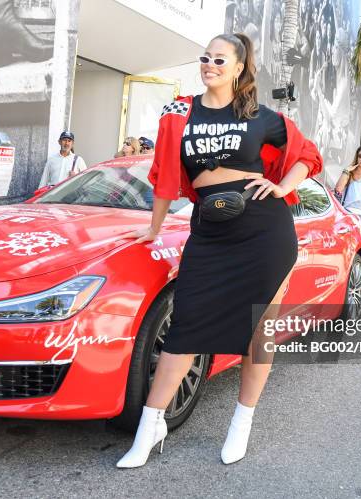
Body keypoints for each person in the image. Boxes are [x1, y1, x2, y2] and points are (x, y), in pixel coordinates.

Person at [116, 32, 322, 468]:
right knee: (187, 324)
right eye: (205, 58)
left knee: (259, 329)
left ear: (240, 68)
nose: (209, 65)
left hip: (264, 232)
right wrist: (153, 230)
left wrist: (282, 185)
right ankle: (150, 425)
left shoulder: (261, 116)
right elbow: (165, 175)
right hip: (209, 232)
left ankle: (241, 422)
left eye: (220, 60)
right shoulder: (178, 111)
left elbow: (306, 154)